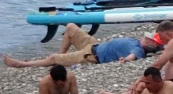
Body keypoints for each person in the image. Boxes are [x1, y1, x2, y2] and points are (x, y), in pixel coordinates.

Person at [4, 24, 160, 69]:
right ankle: (60, 59)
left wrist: (125, 61)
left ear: (151, 44)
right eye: (146, 37)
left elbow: (132, 56)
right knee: (71, 27)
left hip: (92, 56)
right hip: (93, 45)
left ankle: (22, 64)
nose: (145, 38)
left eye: (149, 39)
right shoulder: (136, 41)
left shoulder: (139, 49)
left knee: (53, 58)